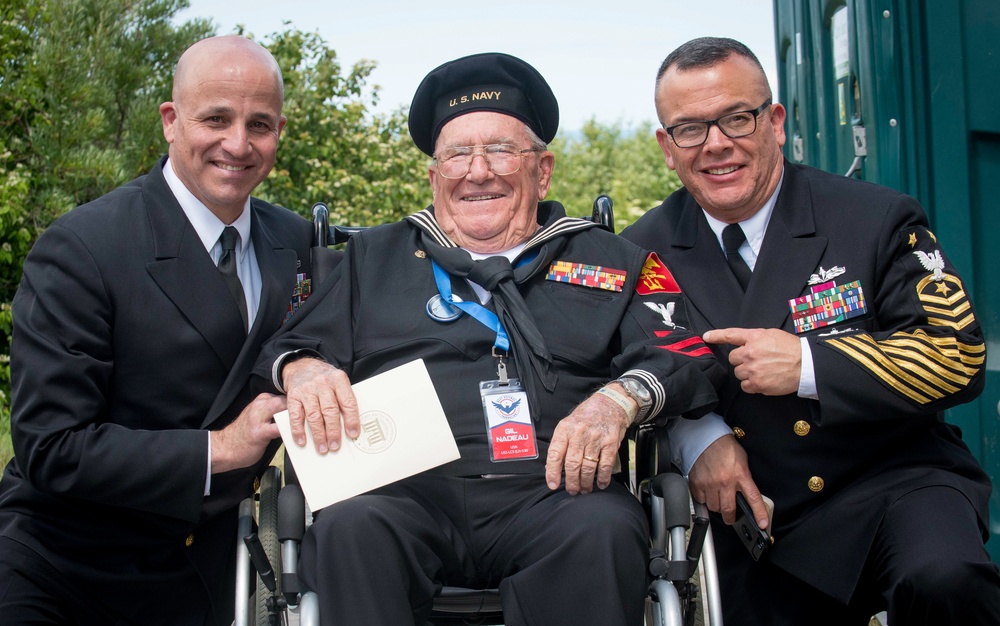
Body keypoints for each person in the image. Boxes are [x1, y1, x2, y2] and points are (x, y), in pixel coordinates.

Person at [252, 52, 724, 626]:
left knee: (604, 531)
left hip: (558, 493)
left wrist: (619, 399)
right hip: (402, 494)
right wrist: (303, 367)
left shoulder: (612, 260)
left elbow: (686, 354)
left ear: (542, 170)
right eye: (456, 155)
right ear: (434, 177)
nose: (478, 172)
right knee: (350, 528)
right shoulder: (372, 259)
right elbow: (286, 345)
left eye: (501, 150)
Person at [621, 36, 1000, 625]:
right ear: (667, 148)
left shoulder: (873, 216)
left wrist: (809, 365)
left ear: (775, 122)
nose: (716, 144)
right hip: (755, 511)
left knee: (946, 580)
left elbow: (956, 356)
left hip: (892, 480)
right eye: (690, 129)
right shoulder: (642, 251)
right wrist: (698, 436)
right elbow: (642, 365)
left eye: (737, 119)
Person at [0, 35, 321, 625]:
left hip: (205, 573)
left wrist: (303, 362)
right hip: (64, 566)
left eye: (260, 124)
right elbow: (51, 447)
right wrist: (221, 448)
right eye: (216, 119)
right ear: (171, 121)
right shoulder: (83, 247)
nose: (237, 144)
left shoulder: (299, 244)